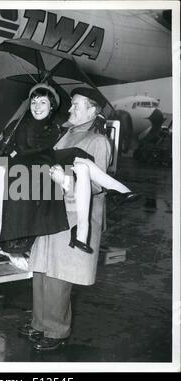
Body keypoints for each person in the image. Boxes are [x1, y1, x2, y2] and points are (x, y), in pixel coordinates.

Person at [17, 87, 130, 351]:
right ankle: (39, 323)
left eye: (76, 106)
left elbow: (98, 186)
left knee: (59, 274)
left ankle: (56, 330)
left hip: (72, 217)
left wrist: (66, 180)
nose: (70, 110)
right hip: (51, 211)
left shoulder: (98, 141)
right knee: (42, 269)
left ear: (93, 110)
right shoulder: (65, 134)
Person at [0, 83, 137, 256]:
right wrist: (4, 149)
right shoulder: (17, 125)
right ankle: (118, 190)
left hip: (46, 171)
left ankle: (115, 194)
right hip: (27, 176)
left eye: (43, 102)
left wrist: (97, 119)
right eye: (33, 102)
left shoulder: (56, 129)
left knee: (81, 161)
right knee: (76, 157)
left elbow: (78, 124)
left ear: (52, 106)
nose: (37, 107)